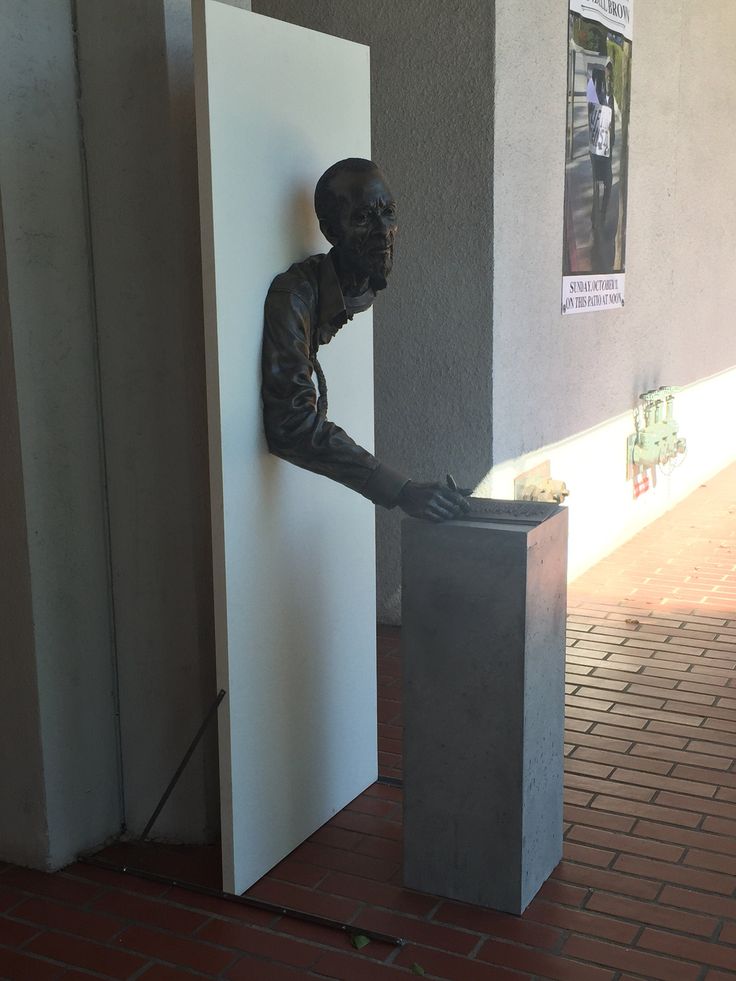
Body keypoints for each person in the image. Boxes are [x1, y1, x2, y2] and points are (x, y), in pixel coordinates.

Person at [262, 158, 469, 522]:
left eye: (388, 213)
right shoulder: (293, 298)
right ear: (330, 231)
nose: (382, 231)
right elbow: (291, 426)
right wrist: (401, 490)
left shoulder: (362, 285)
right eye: (362, 219)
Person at [588, 63, 615, 229]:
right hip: (602, 149)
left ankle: (597, 216)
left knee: (599, 183)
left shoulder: (595, 97)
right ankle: (600, 215)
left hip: (598, 148)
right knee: (606, 182)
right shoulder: (601, 98)